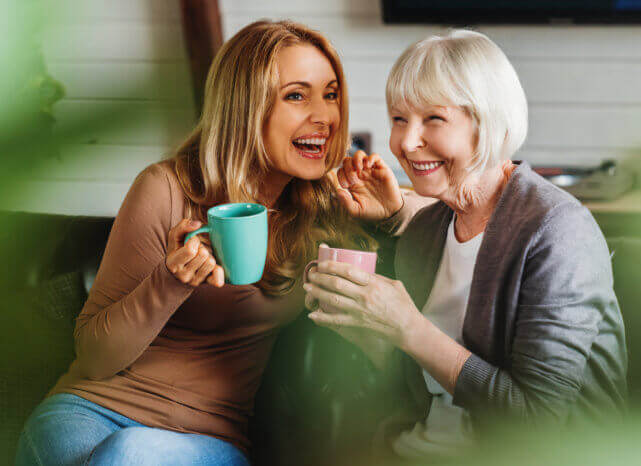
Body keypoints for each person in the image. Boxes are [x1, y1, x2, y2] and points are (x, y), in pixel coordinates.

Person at [16, 20, 374, 466]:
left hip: (207, 438)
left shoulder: (325, 211)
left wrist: (391, 217)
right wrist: (169, 282)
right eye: (296, 95)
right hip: (91, 410)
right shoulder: (166, 188)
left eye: (331, 93)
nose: (324, 116)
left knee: (132, 454)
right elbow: (94, 358)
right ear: (246, 106)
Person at [304, 29, 627, 461]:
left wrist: (408, 328)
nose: (406, 141)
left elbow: (537, 420)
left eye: (433, 119)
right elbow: (419, 386)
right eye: (399, 119)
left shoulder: (557, 231)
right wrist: (368, 332)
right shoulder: (426, 231)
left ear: (487, 122)